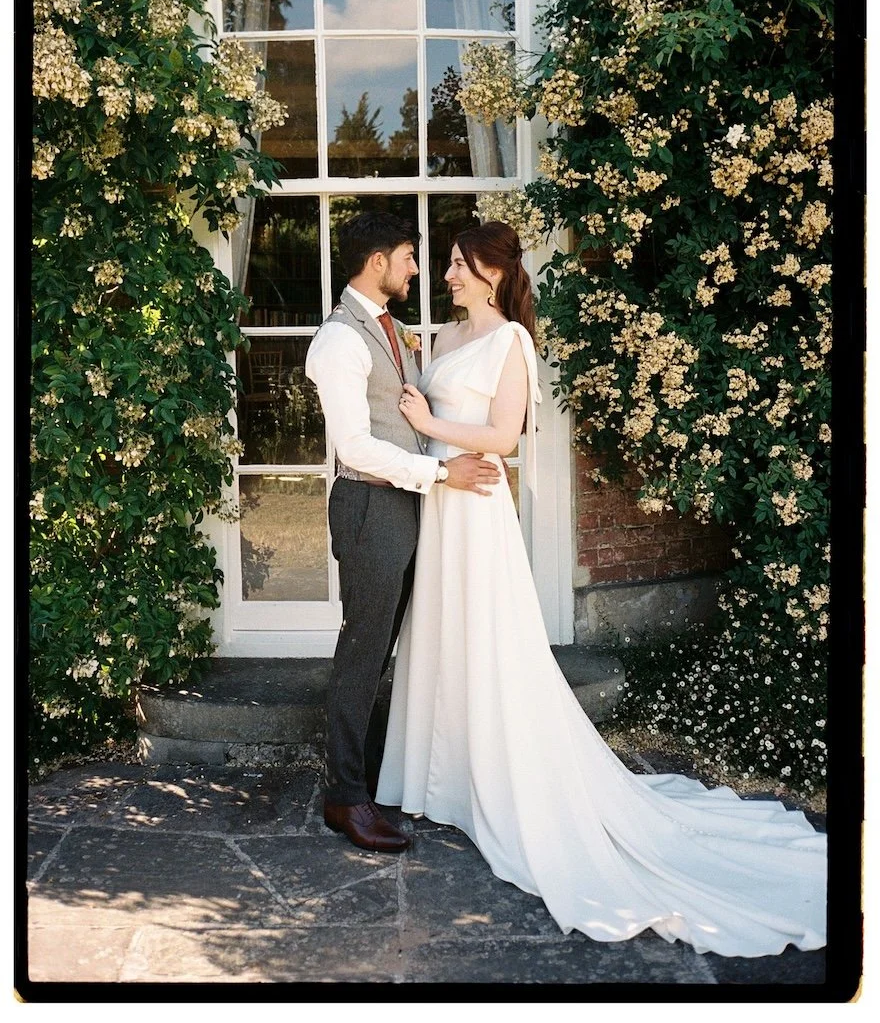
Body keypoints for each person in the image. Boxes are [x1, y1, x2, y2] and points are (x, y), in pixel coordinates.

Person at [377, 219, 827, 959]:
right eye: (447, 265)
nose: (447, 275)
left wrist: (431, 421)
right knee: (440, 634)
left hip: (477, 507)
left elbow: (506, 438)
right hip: (437, 500)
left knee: (485, 640)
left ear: (491, 273)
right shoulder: (444, 339)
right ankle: (441, 780)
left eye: (458, 265)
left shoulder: (511, 342)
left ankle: (497, 780)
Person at [304, 211, 502, 854]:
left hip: (405, 506)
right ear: (377, 262)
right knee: (363, 651)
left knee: (387, 648)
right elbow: (356, 449)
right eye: (410, 255)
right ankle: (344, 798)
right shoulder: (339, 341)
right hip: (369, 507)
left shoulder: (389, 330)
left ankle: (374, 778)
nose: (418, 268)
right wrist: (440, 471)